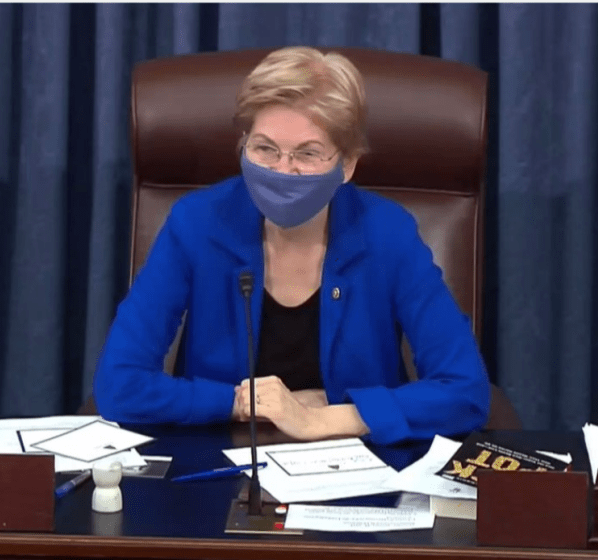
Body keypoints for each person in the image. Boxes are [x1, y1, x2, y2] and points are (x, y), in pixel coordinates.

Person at [93, 47, 489, 446]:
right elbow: (119, 384)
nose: (283, 171)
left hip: (359, 466)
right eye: (265, 148)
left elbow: (466, 391)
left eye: (308, 153)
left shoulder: (388, 234)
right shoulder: (196, 224)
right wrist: (240, 403)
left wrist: (327, 419)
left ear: (347, 165)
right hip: (219, 460)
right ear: (243, 144)